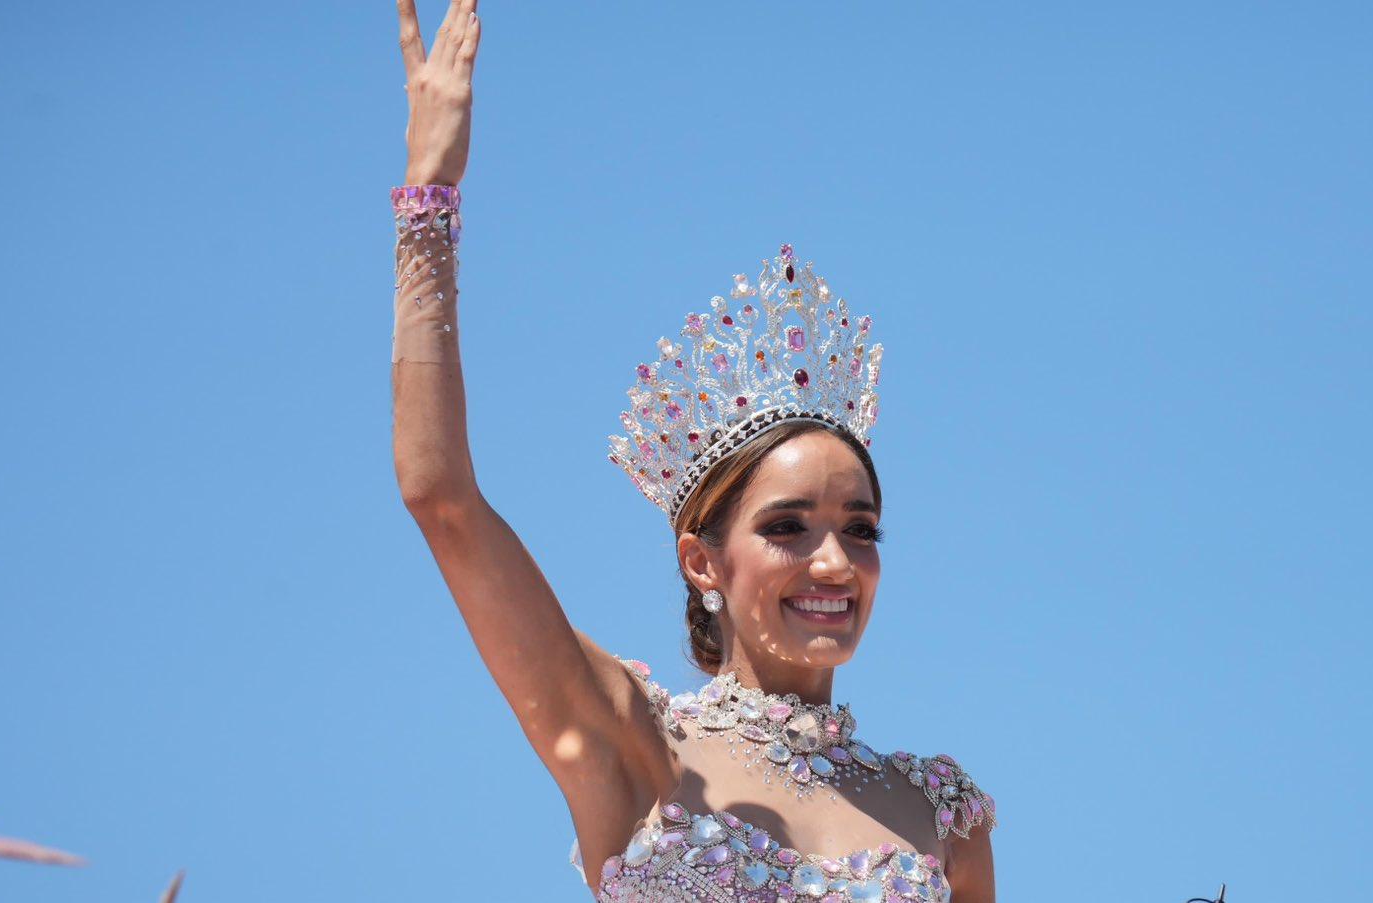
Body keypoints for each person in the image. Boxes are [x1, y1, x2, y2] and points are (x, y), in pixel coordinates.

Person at [387, 2, 999, 900]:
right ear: (701, 560)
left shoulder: (946, 814)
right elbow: (441, 496)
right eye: (789, 526)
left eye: (859, 527)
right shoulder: (633, 741)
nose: (835, 559)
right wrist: (428, 198)